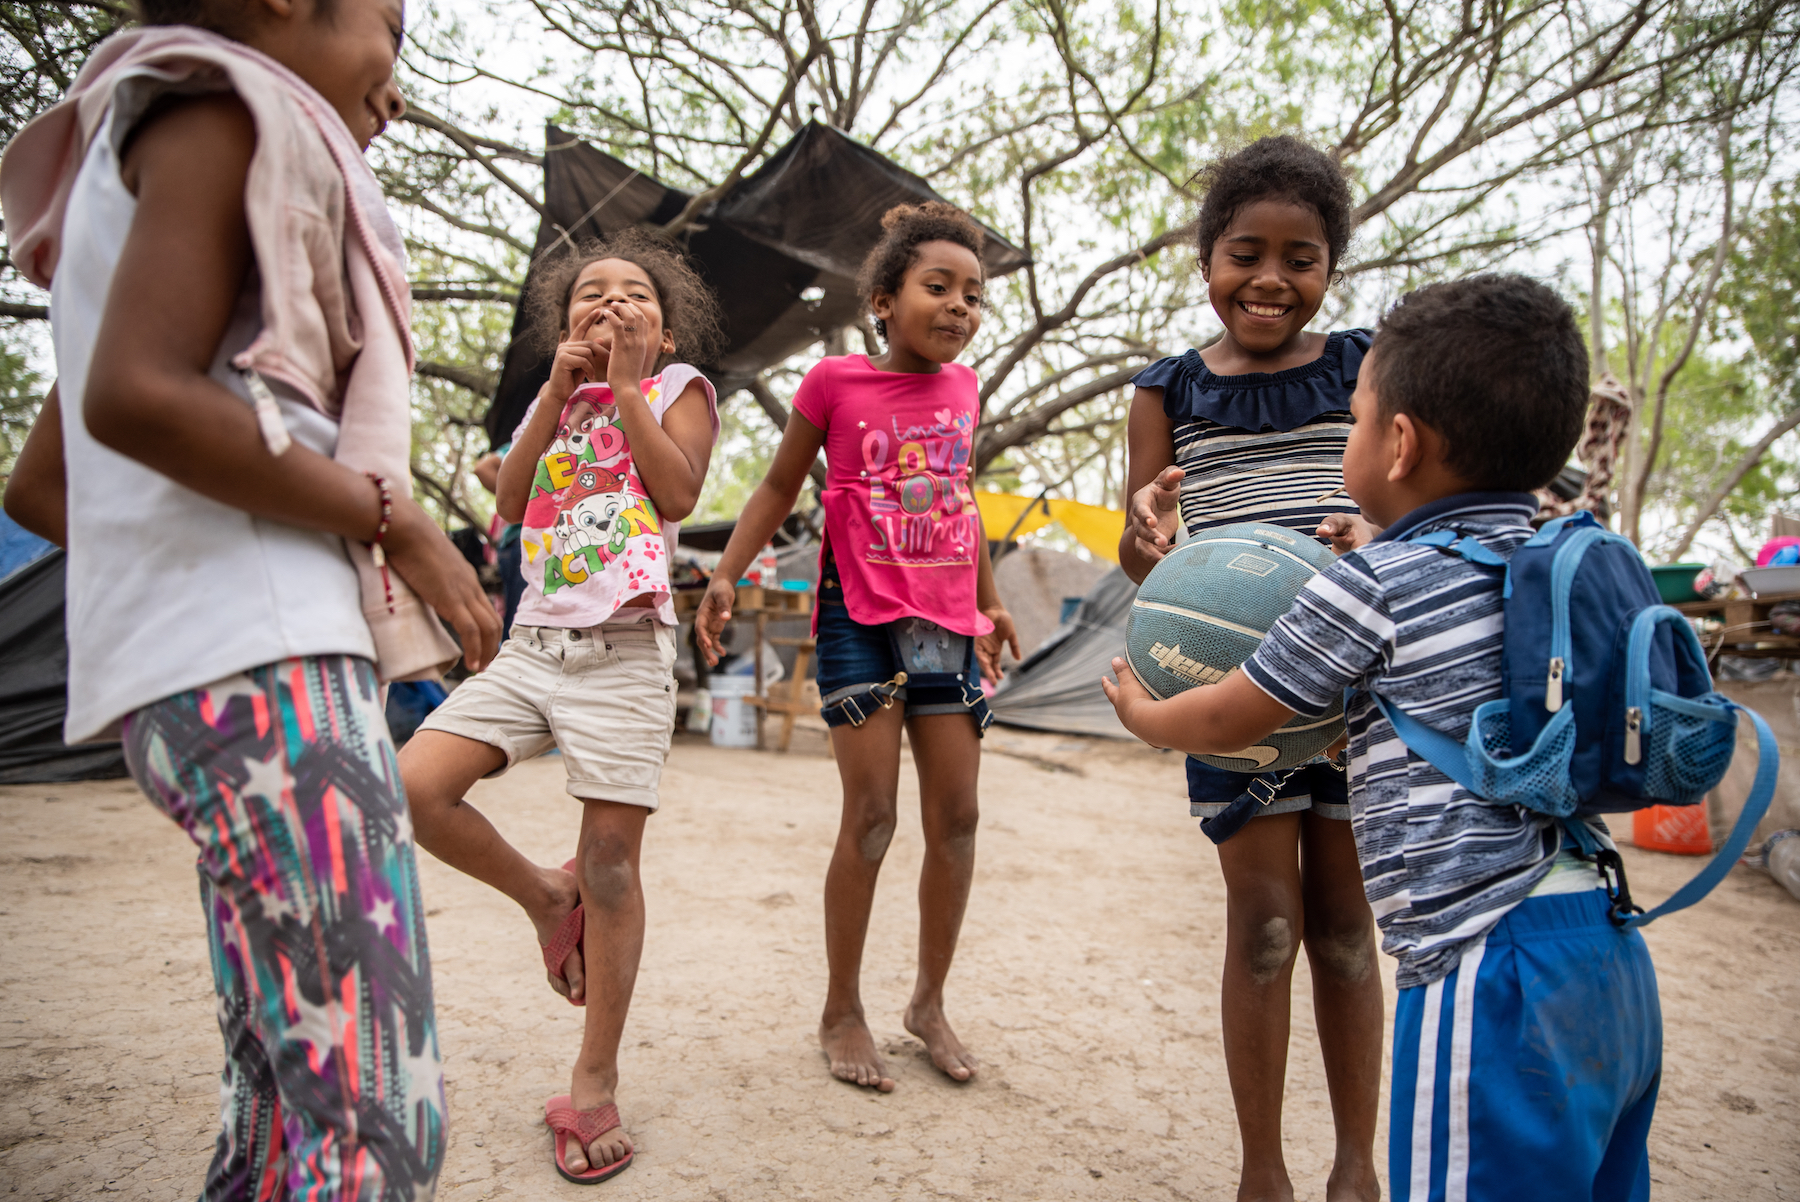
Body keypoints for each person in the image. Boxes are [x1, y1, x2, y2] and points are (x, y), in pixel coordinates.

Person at [0, 0, 503, 1197]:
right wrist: (394, 520)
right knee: (375, 1121)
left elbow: (47, 476)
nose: (398, 73)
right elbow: (132, 396)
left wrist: (184, 574)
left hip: (195, 685)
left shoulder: (137, 152)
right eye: (393, 25)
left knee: (283, 1097)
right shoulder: (226, 102)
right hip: (272, 680)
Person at [1105, 274, 1660, 1202]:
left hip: (1485, 962)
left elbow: (1234, 713)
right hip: (1603, 932)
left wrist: (1143, 714)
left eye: (1354, 422)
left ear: (1398, 444)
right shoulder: (1548, 561)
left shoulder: (1371, 585)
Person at [396, 231, 724, 1183]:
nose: (613, 301)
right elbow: (505, 501)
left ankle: (593, 1079)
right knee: (415, 786)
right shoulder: (554, 407)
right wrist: (556, 393)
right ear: (566, 322)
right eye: (593, 292)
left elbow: (678, 489)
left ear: (663, 335)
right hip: (534, 643)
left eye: (636, 296)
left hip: (625, 647)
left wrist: (625, 387)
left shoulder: (677, 391)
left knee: (614, 862)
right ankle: (546, 895)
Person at [695, 201, 1019, 1093]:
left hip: (948, 621)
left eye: (974, 295)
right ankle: (842, 1006)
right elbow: (775, 483)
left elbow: (961, 500)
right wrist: (726, 572)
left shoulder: (965, 388)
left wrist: (991, 606)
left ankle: (928, 1001)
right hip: (858, 615)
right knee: (872, 818)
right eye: (938, 287)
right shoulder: (834, 384)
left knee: (957, 818)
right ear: (883, 299)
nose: (959, 307)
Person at [1116, 136, 1382, 1202]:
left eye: (1300, 257)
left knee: (1347, 929)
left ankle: (1355, 1166)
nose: (1270, 278)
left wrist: (1373, 524)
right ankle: (1261, 1170)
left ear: (1330, 268)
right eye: (1246, 253)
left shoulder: (1364, 366)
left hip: (1357, 688)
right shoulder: (1165, 388)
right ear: (1206, 259)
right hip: (1234, 696)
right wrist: (1145, 533)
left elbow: (1404, 503)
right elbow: (1143, 552)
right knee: (1265, 924)